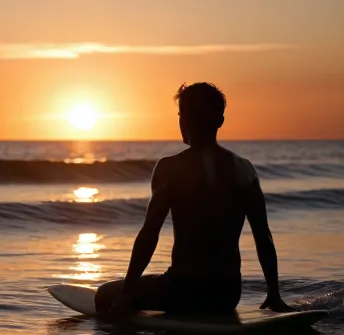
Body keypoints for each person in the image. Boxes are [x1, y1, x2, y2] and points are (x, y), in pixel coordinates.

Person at [95, 82, 296, 316]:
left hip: (183, 290)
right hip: (227, 294)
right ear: (220, 121)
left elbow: (150, 234)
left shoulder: (169, 168)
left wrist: (127, 292)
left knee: (103, 295)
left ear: (185, 120)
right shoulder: (245, 169)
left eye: (181, 115)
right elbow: (263, 237)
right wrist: (274, 293)